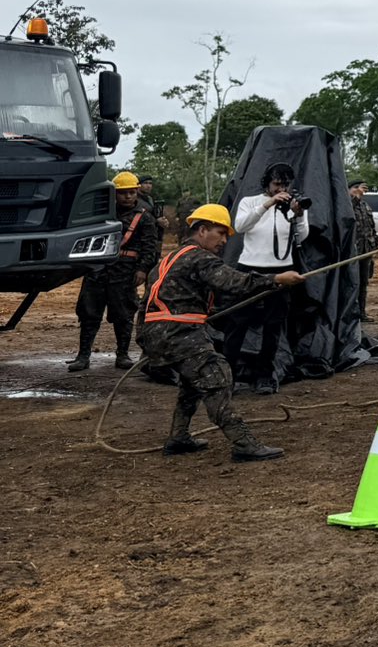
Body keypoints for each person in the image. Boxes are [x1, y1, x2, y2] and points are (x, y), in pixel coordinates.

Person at [138, 203, 302, 462]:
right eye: (220, 233)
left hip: (159, 331)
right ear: (202, 230)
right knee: (217, 375)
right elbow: (234, 282)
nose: (224, 240)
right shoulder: (200, 258)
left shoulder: (172, 257)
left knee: (193, 383)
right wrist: (276, 280)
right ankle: (243, 443)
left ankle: (179, 438)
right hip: (177, 331)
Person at [229, 162, 309, 393]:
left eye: (284, 185)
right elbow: (241, 226)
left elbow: (301, 237)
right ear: (267, 183)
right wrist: (268, 204)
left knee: (273, 326)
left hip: (281, 268)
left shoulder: (293, 203)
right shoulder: (250, 201)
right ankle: (230, 376)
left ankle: (264, 376)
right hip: (250, 268)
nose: (280, 189)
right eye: (276, 184)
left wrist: (299, 215)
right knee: (238, 323)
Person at [67, 170, 156, 371]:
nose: (128, 197)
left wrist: (142, 270)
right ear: (114, 194)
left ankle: (122, 355)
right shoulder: (101, 215)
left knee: (123, 316)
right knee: (89, 314)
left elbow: (150, 247)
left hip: (125, 274)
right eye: (123, 193)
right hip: (97, 271)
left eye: (132, 192)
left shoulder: (144, 218)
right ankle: (83, 356)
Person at [348, 178, 378, 321]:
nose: (362, 191)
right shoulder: (347, 204)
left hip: (366, 250)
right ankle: (349, 314)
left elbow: (370, 227)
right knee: (351, 283)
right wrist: (355, 197)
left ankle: (361, 312)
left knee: (363, 283)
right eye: (358, 188)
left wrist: (376, 243)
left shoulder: (365, 205)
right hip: (352, 252)